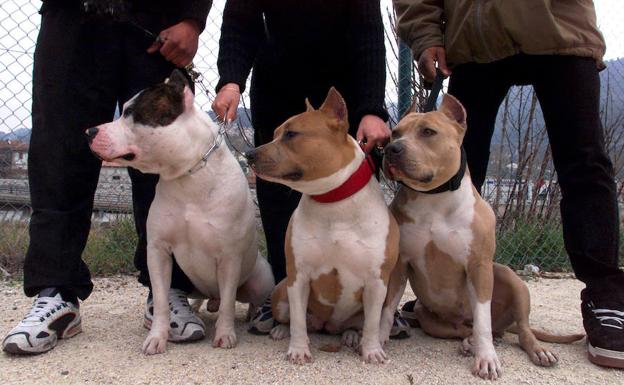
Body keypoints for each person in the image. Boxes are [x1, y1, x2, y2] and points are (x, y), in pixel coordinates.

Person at [394, 0, 624, 368]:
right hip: (474, 35)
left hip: (560, 27)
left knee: (585, 164)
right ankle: (448, 296)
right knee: (458, 166)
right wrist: (425, 33)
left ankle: (607, 295)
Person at [2, 0, 212, 355]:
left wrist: (193, 18)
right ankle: (56, 291)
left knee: (163, 157)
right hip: (73, 20)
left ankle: (170, 291)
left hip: (154, 23)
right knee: (59, 155)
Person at [212, 0, 410, 337]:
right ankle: (287, 291)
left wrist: (372, 107)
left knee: (359, 205)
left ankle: (369, 306)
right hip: (277, 88)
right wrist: (231, 80)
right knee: (278, 201)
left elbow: (369, 33)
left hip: (346, 89)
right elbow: (239, 21)